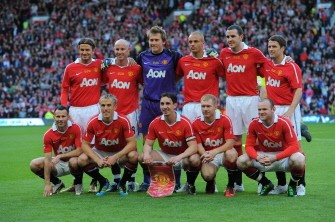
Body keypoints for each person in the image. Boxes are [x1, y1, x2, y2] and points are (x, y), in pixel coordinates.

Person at [219, 24, 269, 191]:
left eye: (233, 36)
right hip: (232, 100)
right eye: (228, 37)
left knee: (258, 139)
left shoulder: (254, 53)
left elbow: (269, 70)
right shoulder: (224, 53)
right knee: (235, 140)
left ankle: (262, 180)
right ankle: (238, 181)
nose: (230, 40)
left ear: (241, 37)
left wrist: (261, 86)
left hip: (251, 100)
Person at [257, 35, 306, 195]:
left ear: (283, 48)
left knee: (296, 147)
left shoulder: (292, 67)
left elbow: (298, 89)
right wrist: (263, 97)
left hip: (288, 108)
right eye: (269, 46)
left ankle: (301, 184)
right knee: (275, 144)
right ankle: (282, 184)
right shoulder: (266, 65)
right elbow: (261, 80)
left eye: (274, 47)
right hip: (272, 109)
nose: (270, 49)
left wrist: (290, 111)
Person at [136, 26, 183, 192]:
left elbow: (181, 71)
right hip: (148, 104)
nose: (153, 43)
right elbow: (137, 75)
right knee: (146, 143)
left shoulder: (173, 56)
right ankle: (147, 179)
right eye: (151, 40)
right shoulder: (142, 56)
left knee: (175, 141)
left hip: (167, 103)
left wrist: (170, 84)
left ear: (164, 41)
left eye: (156, 40)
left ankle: (176, 180)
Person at [237, 98, 306, 197]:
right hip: (264, 157)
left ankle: (292, 184)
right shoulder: (254, 124)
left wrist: (275, 158)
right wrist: (257, 157)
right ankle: (265, 183)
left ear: (273, 109)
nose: (261, 112)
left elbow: (294, 146)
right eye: (259, 110)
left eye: (264, 109)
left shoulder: (284, 122)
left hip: (282, 158)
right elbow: (248, 146)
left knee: (299, 159)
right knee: (241, 161)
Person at [60, 37, 102, 193]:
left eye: (87, 50)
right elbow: (65, 89)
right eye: (82, 49)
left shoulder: (99, 64)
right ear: (79, 50)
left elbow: (114, 66)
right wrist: (64, 109)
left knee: (94, 146)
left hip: (94, 109)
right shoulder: (70, 68)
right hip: (75, 111)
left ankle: (94, 181)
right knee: (75, 146)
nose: (85, 52)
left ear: (93, 51)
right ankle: (76, 182)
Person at [77, 93, 138, 196]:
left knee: (134, 156)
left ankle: (122, 183)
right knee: (81, 159)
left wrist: (115, 157)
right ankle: (103, 182)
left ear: (115, 106)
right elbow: (84, 145)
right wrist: (97, 159)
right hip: (101, 152)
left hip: (119, 152)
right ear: (99, 106)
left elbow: (132, 143)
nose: (105, 108)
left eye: (109, 105)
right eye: (103, 105)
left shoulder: (123, 120)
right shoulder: (93, 121)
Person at [138, 92, 199, 195]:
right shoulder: (155, 123)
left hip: (182, 156)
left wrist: (179, 157)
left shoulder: (185, 122)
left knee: (195, 159)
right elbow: (148, 144)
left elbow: (193, 147)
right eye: (162, 104)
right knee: (141, 157)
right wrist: (147, 154)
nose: (164, 107)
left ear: (175, 105)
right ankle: (155, 182)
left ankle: (189, 184)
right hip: (165, 154)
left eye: (168, 104)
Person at [102, 39, 142, 192]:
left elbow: (146, 83)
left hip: (131, 113)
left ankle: (131, 180)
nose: (119, 52)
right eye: (117, 49)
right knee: (114, 146)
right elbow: (99, 80)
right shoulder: (109, 68)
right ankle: (117, 179)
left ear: (128, 50)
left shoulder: (136, 69)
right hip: (113, 115)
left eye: (122, 49)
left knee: (132, 148)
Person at [29, 105, 83, 196]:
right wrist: (47, 183)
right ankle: (57, 183)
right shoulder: (48, 134)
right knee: (34, 164)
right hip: (59, 164)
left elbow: (79, 151)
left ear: (68, 117)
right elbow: (47, 159)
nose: (60, 119)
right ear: (54, 117)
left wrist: (60, 155)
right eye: (58, 116)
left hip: (74, 162)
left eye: (63, 116)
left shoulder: (76, 128)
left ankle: (78, 183)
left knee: (81, 159)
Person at [192, 94, 238, 197]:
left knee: (231, 154)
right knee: (207, 175)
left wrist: (213, 152)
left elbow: (230, 143)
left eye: (208, 106)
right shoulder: (195, 123)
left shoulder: (225, 120)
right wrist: (205, 154)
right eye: (203, 106)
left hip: (222, 153)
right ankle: (210, 182)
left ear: (215, 106)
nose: (205, 109)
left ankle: (231, 185)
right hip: (208, 154)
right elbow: (198, 144)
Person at [176, 31, 225, 122]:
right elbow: (175, 79)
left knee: (210, 135)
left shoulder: (214, 61)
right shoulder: (183, 61)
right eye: (190, 42)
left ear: (203, 43)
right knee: (188, 136)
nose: (192, 44)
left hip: (208, 105)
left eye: (195, 41)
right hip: (188, 106)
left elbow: (227, 77)